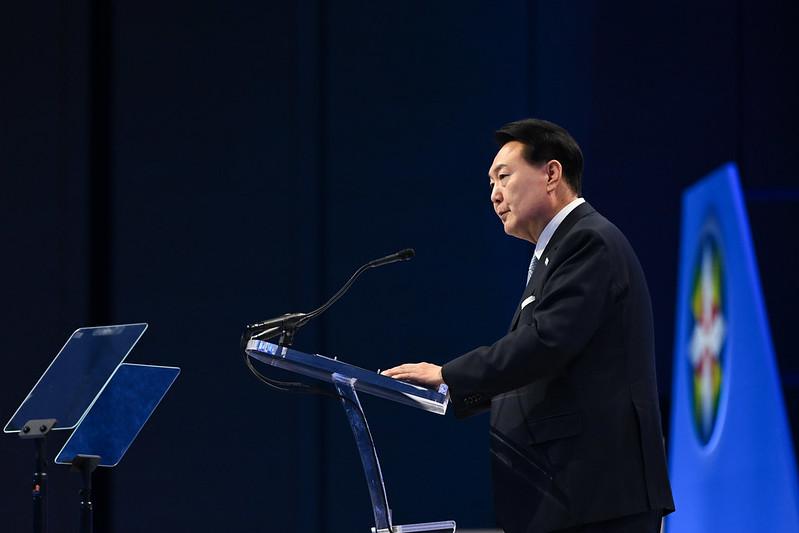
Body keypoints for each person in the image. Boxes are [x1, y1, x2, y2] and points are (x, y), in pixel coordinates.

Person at [383, 119, 675, 533]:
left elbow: (545, 344)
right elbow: (544, 364)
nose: (494, 194)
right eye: (489, 184)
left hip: (599, 494)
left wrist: (448, 373)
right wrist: (451, 389)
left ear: (551, 173)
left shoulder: (587, 241)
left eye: (503, 176)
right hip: (574, 494)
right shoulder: (557, 251)